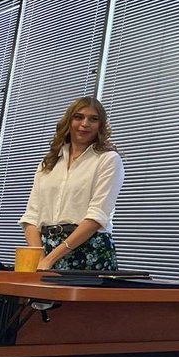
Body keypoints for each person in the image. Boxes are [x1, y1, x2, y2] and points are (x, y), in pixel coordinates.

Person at [20, 96, 123, 271]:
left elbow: (97, 216)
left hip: (89, 249)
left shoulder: (108, 160)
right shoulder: (49, 162)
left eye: (93, 119)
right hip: (45, 250)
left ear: (100, 125)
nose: (85, 124)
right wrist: (40, 257)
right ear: (69, 121)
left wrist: (50, 259)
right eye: (78, 117)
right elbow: (31, 216)